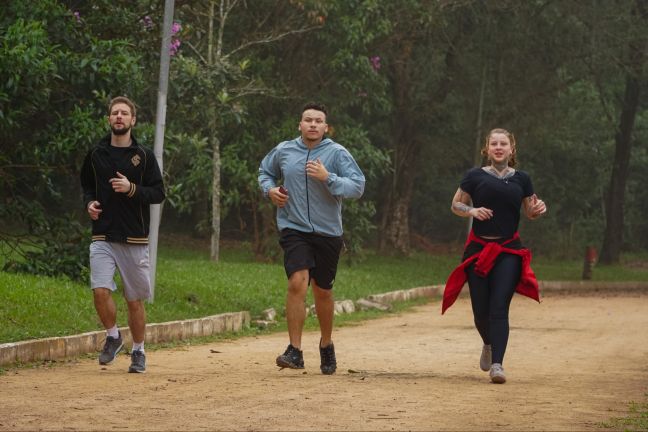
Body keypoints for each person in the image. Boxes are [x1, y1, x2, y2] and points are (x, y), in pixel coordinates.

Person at [258, 102, 365, 375]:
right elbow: (264, 172)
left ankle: (326, 344)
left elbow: (358, 185)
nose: (313, 125)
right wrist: (270, 191)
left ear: (326, 127)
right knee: (297, 282)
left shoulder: (337, 153)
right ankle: (294, 351)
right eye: (308, 120)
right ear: (300, 124)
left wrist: (329, 178)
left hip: (328, 232)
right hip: (294, 228)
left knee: (323, 291)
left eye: (319, 121)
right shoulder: (284, 150)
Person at [442, 128, 546, 384]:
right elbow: (456, 204)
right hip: (478, 250)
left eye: (503, 144)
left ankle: (498, 365)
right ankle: (488, 343)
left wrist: (538, 210)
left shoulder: (522, 179)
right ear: (487, 149)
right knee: (481, 310)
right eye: (494, 144)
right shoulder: (474, 176)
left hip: (509, 250)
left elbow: (530, 211)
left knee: (499, 307)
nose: (498, 148)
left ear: (512, 149)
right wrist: (472, 210)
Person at [80, 96, 165, 373]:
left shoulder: (144, 156)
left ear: (133, 120)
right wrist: (89, 203)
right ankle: (113, 336)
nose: (119, 116)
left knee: (133, 300)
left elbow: (158, 193)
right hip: (103, 234)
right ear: (109, 119)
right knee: (100, 290)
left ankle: (139, 351)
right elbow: (87, 186)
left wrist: (131, 188)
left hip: (134, 238)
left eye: (124, 113)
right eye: (115, 113)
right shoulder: (96, 154)